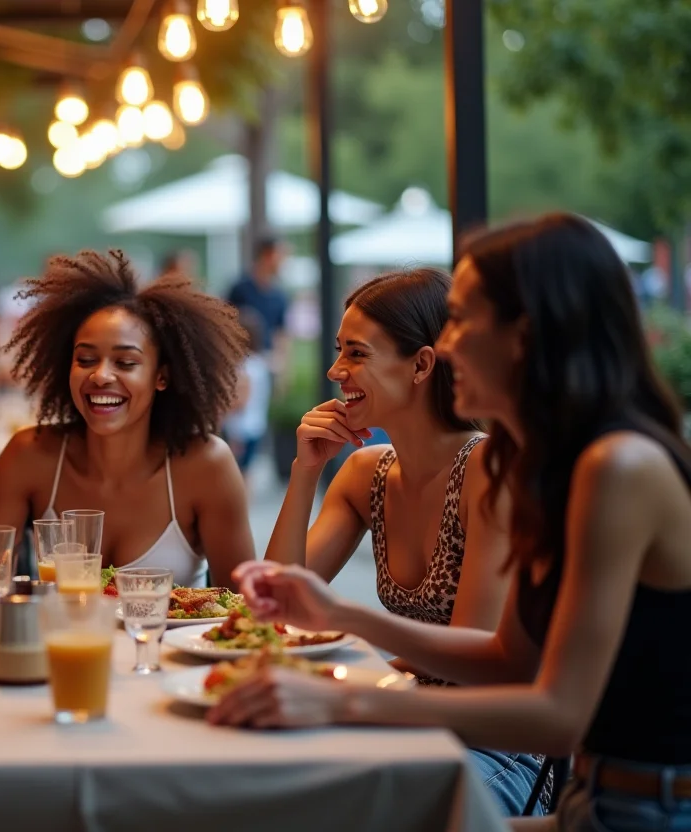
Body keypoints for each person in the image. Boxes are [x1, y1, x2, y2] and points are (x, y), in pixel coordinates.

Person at [210, 214, 691, 832]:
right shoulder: (549, 462)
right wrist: (342, 615)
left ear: (524, 333)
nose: (448, 346)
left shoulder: (616, 466)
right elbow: (507, 659)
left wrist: (342, 700)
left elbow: (559, 717)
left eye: (461, 319)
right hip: (594, 804)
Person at [262, 268, 540, 814]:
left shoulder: (489, 470)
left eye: (356, 353)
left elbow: (475, 668)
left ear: (420, 365)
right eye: (339, 351)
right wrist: (305, 472)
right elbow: (271, 607)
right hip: (409, 722)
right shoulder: (365, 474)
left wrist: (353, 683)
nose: (335, 370)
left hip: (495, 748)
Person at [0, 249, 256, 589]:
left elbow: (245, 604)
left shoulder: (206, 466)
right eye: (86, 359)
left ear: (161, 376)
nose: (101, 376)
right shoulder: (29, 456)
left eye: (125, 363)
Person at [223, 307, 272, 476]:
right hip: (255, 425)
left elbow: (240, 402)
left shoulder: (245, 367)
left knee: (235, 475)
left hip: (240, 431)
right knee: (245, 473)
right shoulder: (260, 363)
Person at [227, 237, 289, 356]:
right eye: (279, 255)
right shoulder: (240, 289)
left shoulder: (279, 295)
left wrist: (280, 360)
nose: (282, 261)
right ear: (267, 255)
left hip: (268, 358)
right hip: (243, 356)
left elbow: (281, 333)